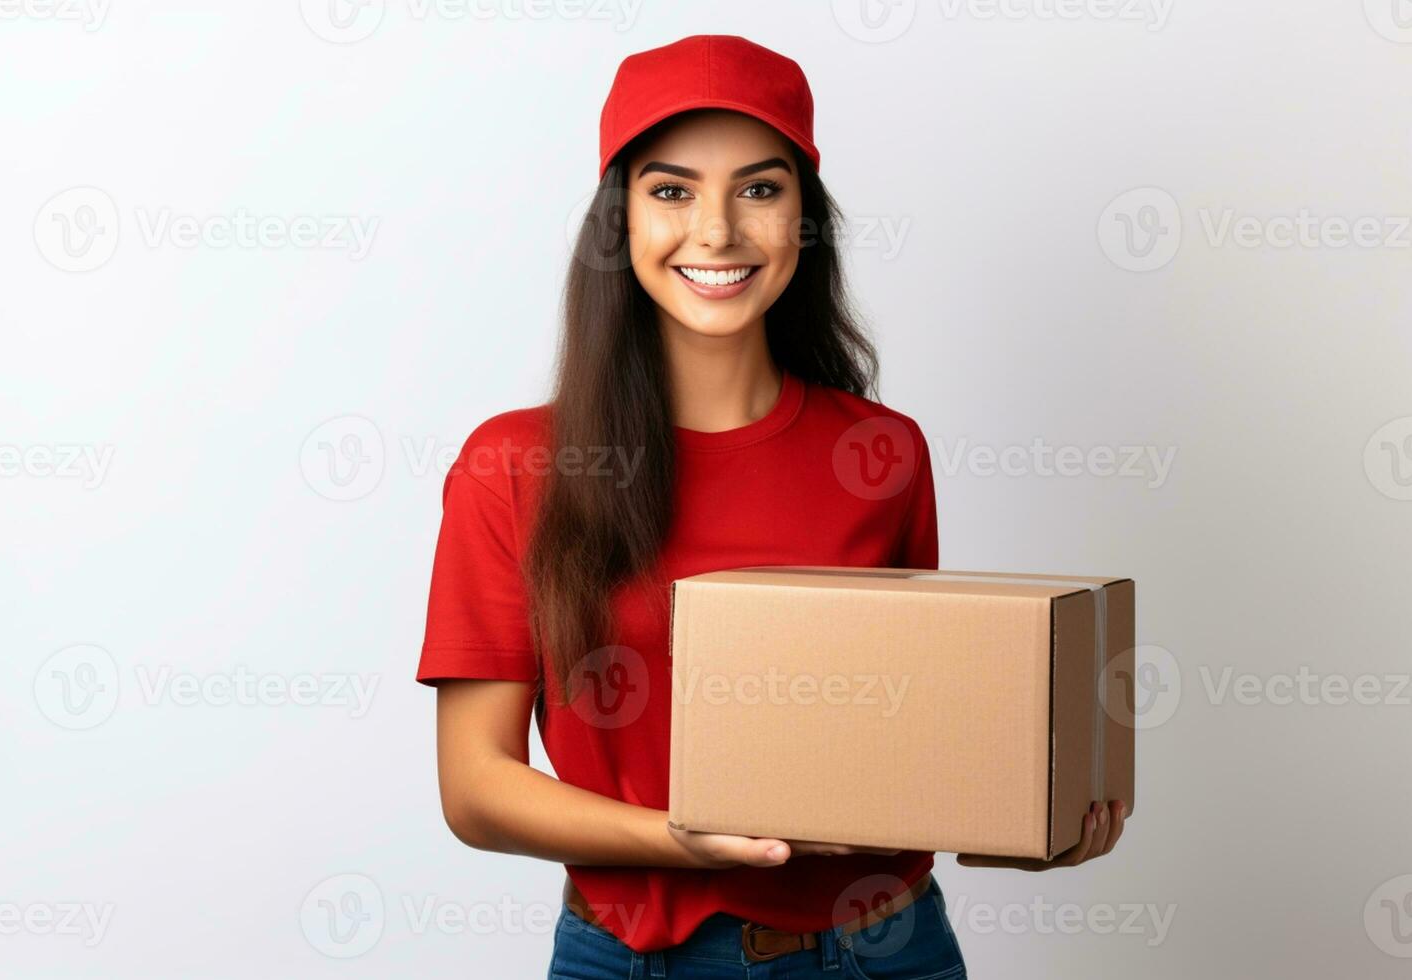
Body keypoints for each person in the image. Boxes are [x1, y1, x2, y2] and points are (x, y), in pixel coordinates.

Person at [417, 33, 1126, 980]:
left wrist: (1040, 820)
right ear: (618, 220)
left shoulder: (881, 453)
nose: (716, 232)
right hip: (639, 957)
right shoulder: (515, 464)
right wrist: (686, 840)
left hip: (888, 949)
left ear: (804, 219)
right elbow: (474, 788)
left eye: (759, 188)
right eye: (671, 190)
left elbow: (911, 736)